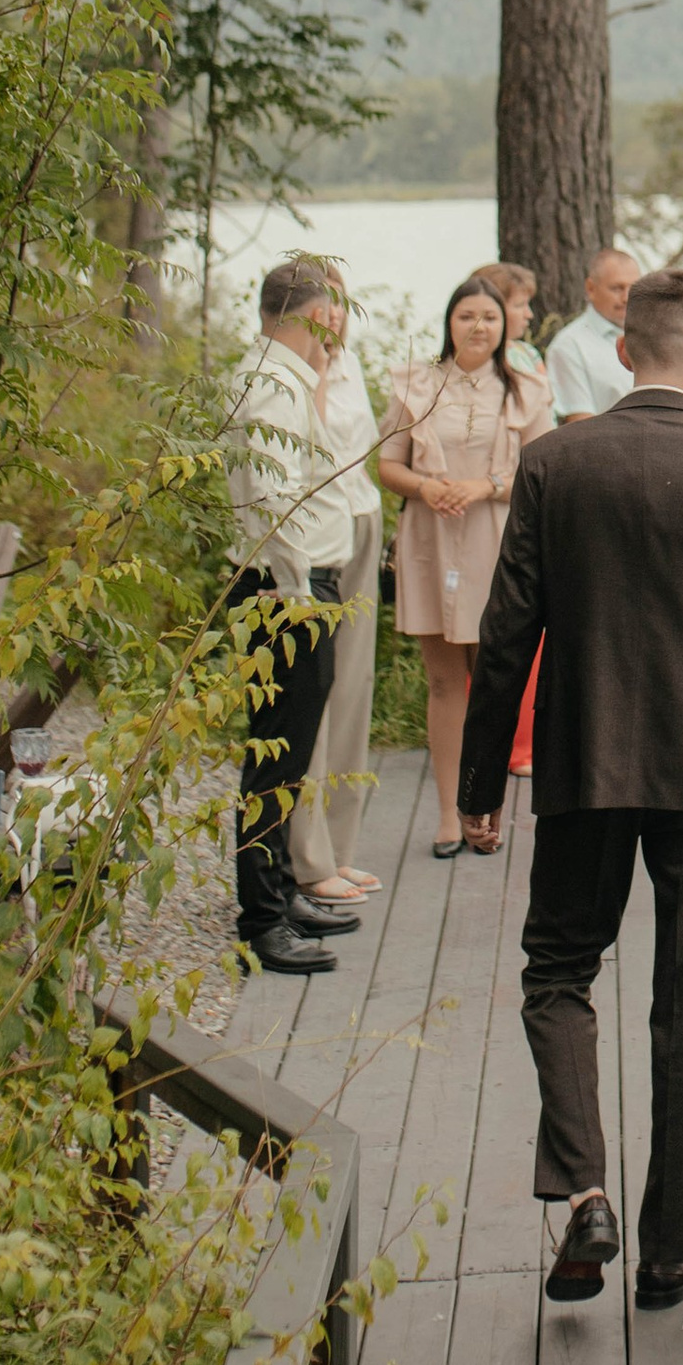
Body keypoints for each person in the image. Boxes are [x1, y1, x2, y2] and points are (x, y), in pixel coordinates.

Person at [455, 268, 683, 1312]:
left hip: (585, 760)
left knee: (558, 972)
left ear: (621, 351)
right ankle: (668, 1259)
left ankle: (586, 1191)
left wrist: (480, 779)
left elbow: (507, 628)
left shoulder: (555, 461)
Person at [221, 258, 364, 978]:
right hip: (288, 596)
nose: (338, 323)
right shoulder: (271, 389)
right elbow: (272, 503)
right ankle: (261, 920)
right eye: (332, 309)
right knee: (274, 760)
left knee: (292, 754)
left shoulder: (287, 378)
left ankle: (280, 892)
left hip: (298, 588)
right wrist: (301, 591)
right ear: (313, 315)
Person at [381, 276, 549, 855]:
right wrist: (427, 487)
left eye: (489, 318)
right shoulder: (417, 384)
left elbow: (541, 469)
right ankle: (449, 815)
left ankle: (485, 809)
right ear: (448, 322)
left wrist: (486, 485)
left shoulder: (524, 387)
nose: (478, 327)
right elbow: (387, 465)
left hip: (496, 542)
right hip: (431, 539)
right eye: (466, 316)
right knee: (445, 681)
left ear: (504, 327)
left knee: (494, 685)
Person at [277, 252, 388, 908]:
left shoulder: (350, 367)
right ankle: (305, 856)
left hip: (361, 519)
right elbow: (308, 453)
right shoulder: (294, 375)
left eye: (343, 301)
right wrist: (315, 370)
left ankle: (339, 849)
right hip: (319, 537)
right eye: (327, 303)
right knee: (313, 694)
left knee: (353, 690)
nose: (336, 315)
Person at [546, 246, 639, 419]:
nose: (627, 298)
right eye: (617, 288)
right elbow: (579, 425)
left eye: (634, 288)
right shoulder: (569, 345)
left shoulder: (651, 336)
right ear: (590, 288)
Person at [472, 257, 558, 406]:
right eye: (519, 305)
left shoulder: (528, 353)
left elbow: (548, 402)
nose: (529, 314)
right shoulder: (474, 358)